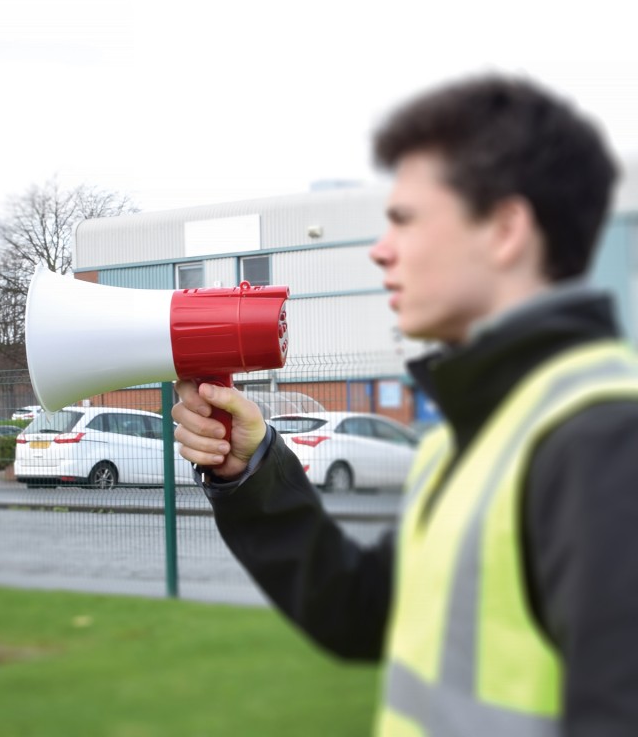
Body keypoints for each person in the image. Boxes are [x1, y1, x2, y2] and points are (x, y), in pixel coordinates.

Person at [172, 74, 638, 737]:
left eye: (405, 220)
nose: (380, 250)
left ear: (505, 230)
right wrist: (251, 471)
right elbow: (364, 612)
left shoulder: (605, 442)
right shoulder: (470, 436)